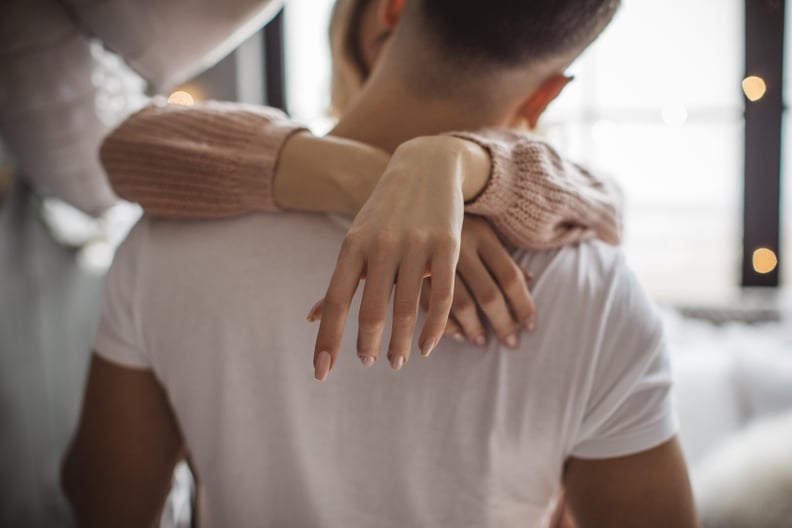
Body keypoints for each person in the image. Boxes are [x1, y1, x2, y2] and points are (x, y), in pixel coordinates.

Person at [63, 0, 699, 526]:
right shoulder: (597, 289)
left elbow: (104, 500)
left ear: (391, 9)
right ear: (548, 93)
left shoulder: (168, 239)